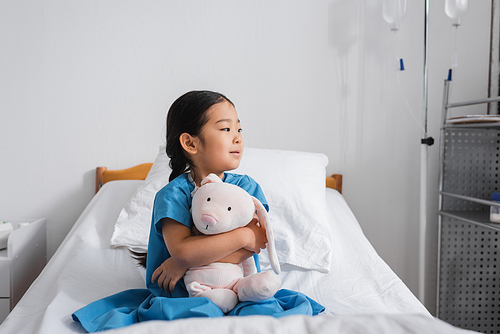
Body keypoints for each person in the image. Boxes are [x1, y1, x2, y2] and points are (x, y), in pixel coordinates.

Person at [72, 91, 323, 332]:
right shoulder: (173, 195)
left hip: (240, 287)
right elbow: (182, 250)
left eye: (239, 129)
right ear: (190, 143)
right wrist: (238, 238)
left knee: (266, 315)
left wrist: (189, 260)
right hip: (188, 293)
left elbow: (256, 241)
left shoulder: (247, 188)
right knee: (200, 317)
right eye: (226, 129)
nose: (238, 138)